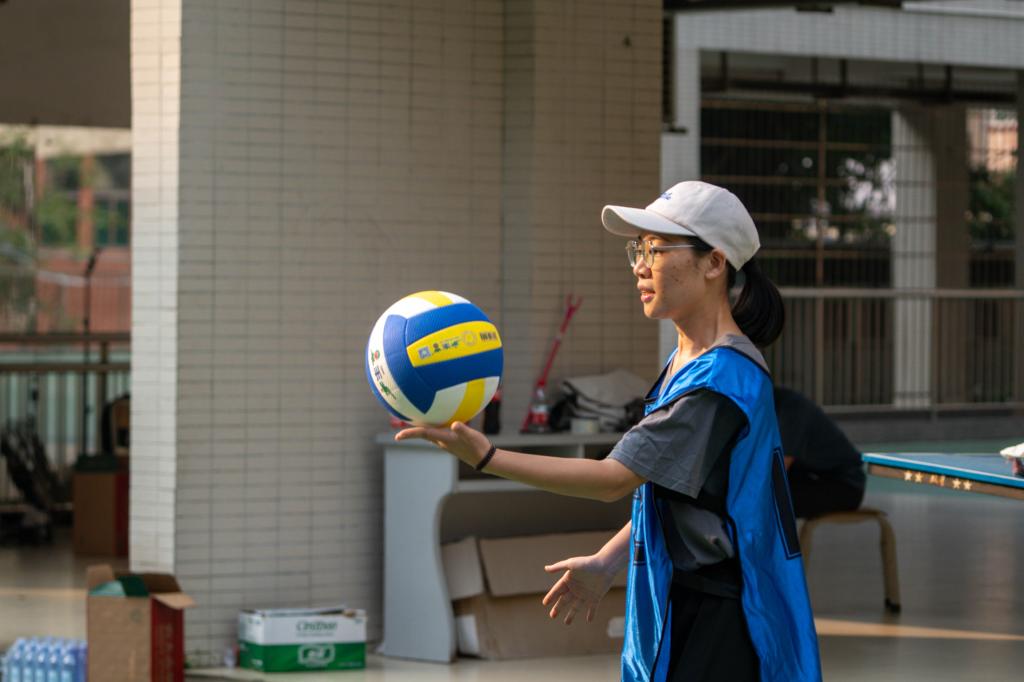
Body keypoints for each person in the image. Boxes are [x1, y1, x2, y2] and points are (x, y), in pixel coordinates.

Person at [395, 181, 821, 682]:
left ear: (714, 263)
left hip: (718, 615)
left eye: (657, 250)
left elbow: (612, 480)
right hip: (684, 597)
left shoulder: (720, 380)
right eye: (638, 249)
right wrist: (608, 559)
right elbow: (674, 493)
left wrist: (487, 457)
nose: (640, 266)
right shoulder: (689, 363)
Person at [773, 386, 866, 519]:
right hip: (814, 476)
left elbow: (780, 468)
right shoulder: (765, 410)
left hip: (845, 485)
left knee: (769, 500)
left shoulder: (791, 407)